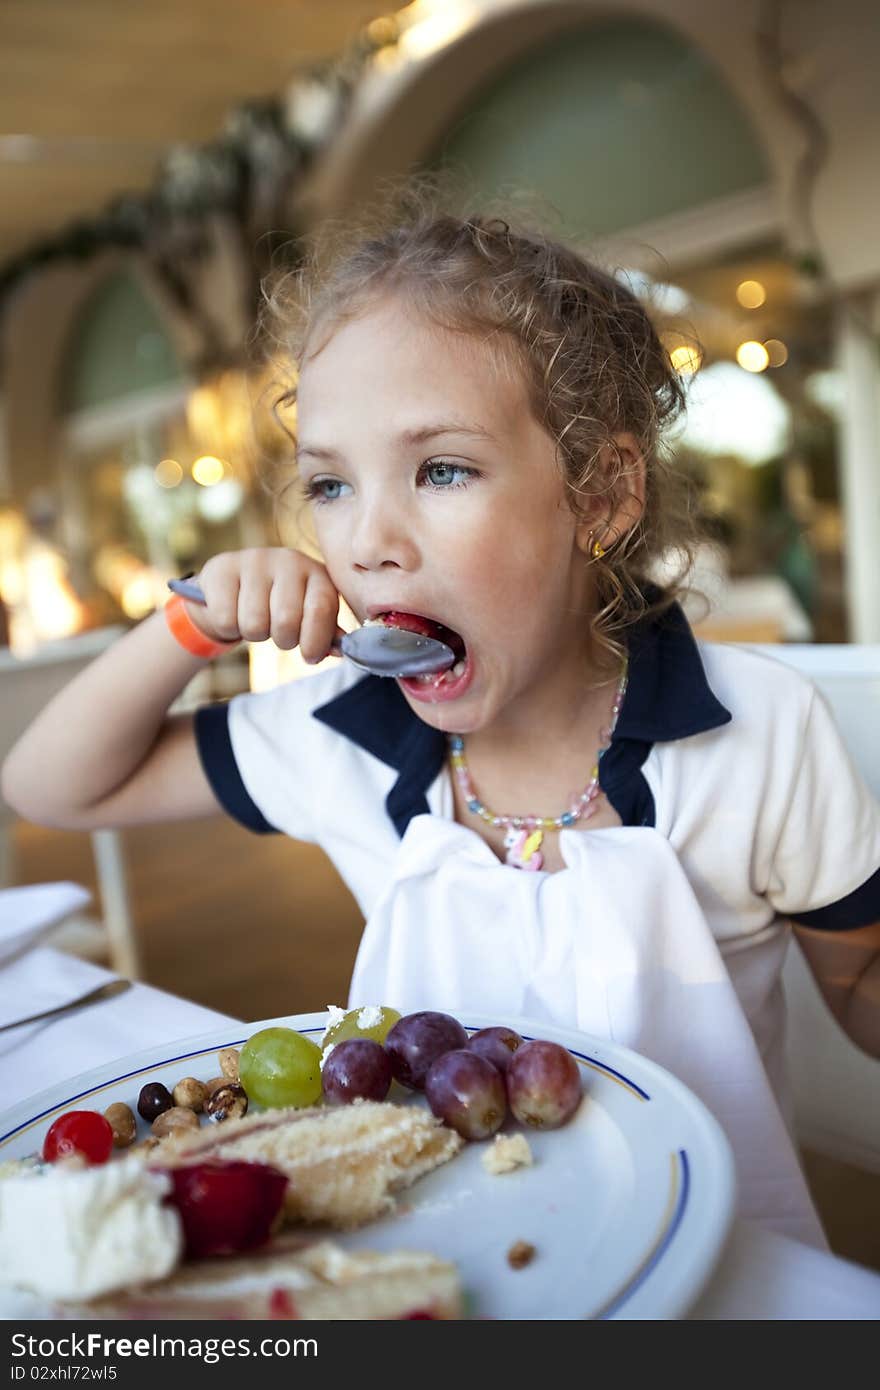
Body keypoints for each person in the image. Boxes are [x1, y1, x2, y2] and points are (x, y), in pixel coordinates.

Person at [3, 198, 879, 1250]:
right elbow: (54, 786)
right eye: (329, 482)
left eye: (441, 469)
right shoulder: (343, 731)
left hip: (710, 1255)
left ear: (598, 498)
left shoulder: (757, 735)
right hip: (451, 1255)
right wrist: (191, 624)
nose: (367, 540)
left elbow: (860, 986)